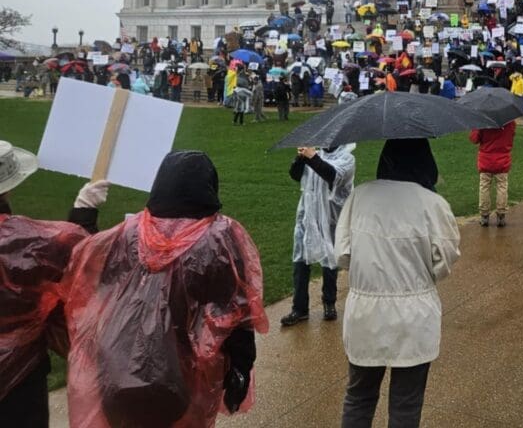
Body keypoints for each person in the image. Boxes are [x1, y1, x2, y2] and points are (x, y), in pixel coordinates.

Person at [62, 150, 268, 427]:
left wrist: (84, 210)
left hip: (116, 374)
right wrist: (241, 369)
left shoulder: (129, 233)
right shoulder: (219, 239)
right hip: (179, 384)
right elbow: (237, 313)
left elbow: (85, 265)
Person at [334, 139, 460, 428]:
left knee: (359, 397)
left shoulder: (359, 196)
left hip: (365, 312)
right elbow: (445, 259)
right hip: (414, 315)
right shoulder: (433, 204)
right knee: (406, 404)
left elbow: (342, 254)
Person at [0, 141, 109, 427]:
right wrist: (84, 209)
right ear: (9, 185)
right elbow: (82, 257)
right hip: (20, 385)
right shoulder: (31, 242)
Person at [281, 145, 356, 327]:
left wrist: (313, 158)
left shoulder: (347, 159)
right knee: (300, 258)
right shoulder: (315, 154)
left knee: (329, 258)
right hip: (308, 215)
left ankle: (329, 303)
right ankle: (299, 308)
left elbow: (332, 175)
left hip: (331, 217)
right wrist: (300, 159)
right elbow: (296, 175)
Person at [470, 120, 516, 227]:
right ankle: (501, 214)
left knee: (484, 187)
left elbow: (474, 139)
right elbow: (511, 136)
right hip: (502, 159)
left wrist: (475, 127)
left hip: (486, 159)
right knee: (502, 187)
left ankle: (484, 215)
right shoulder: (510, 122)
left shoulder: (483, 121)